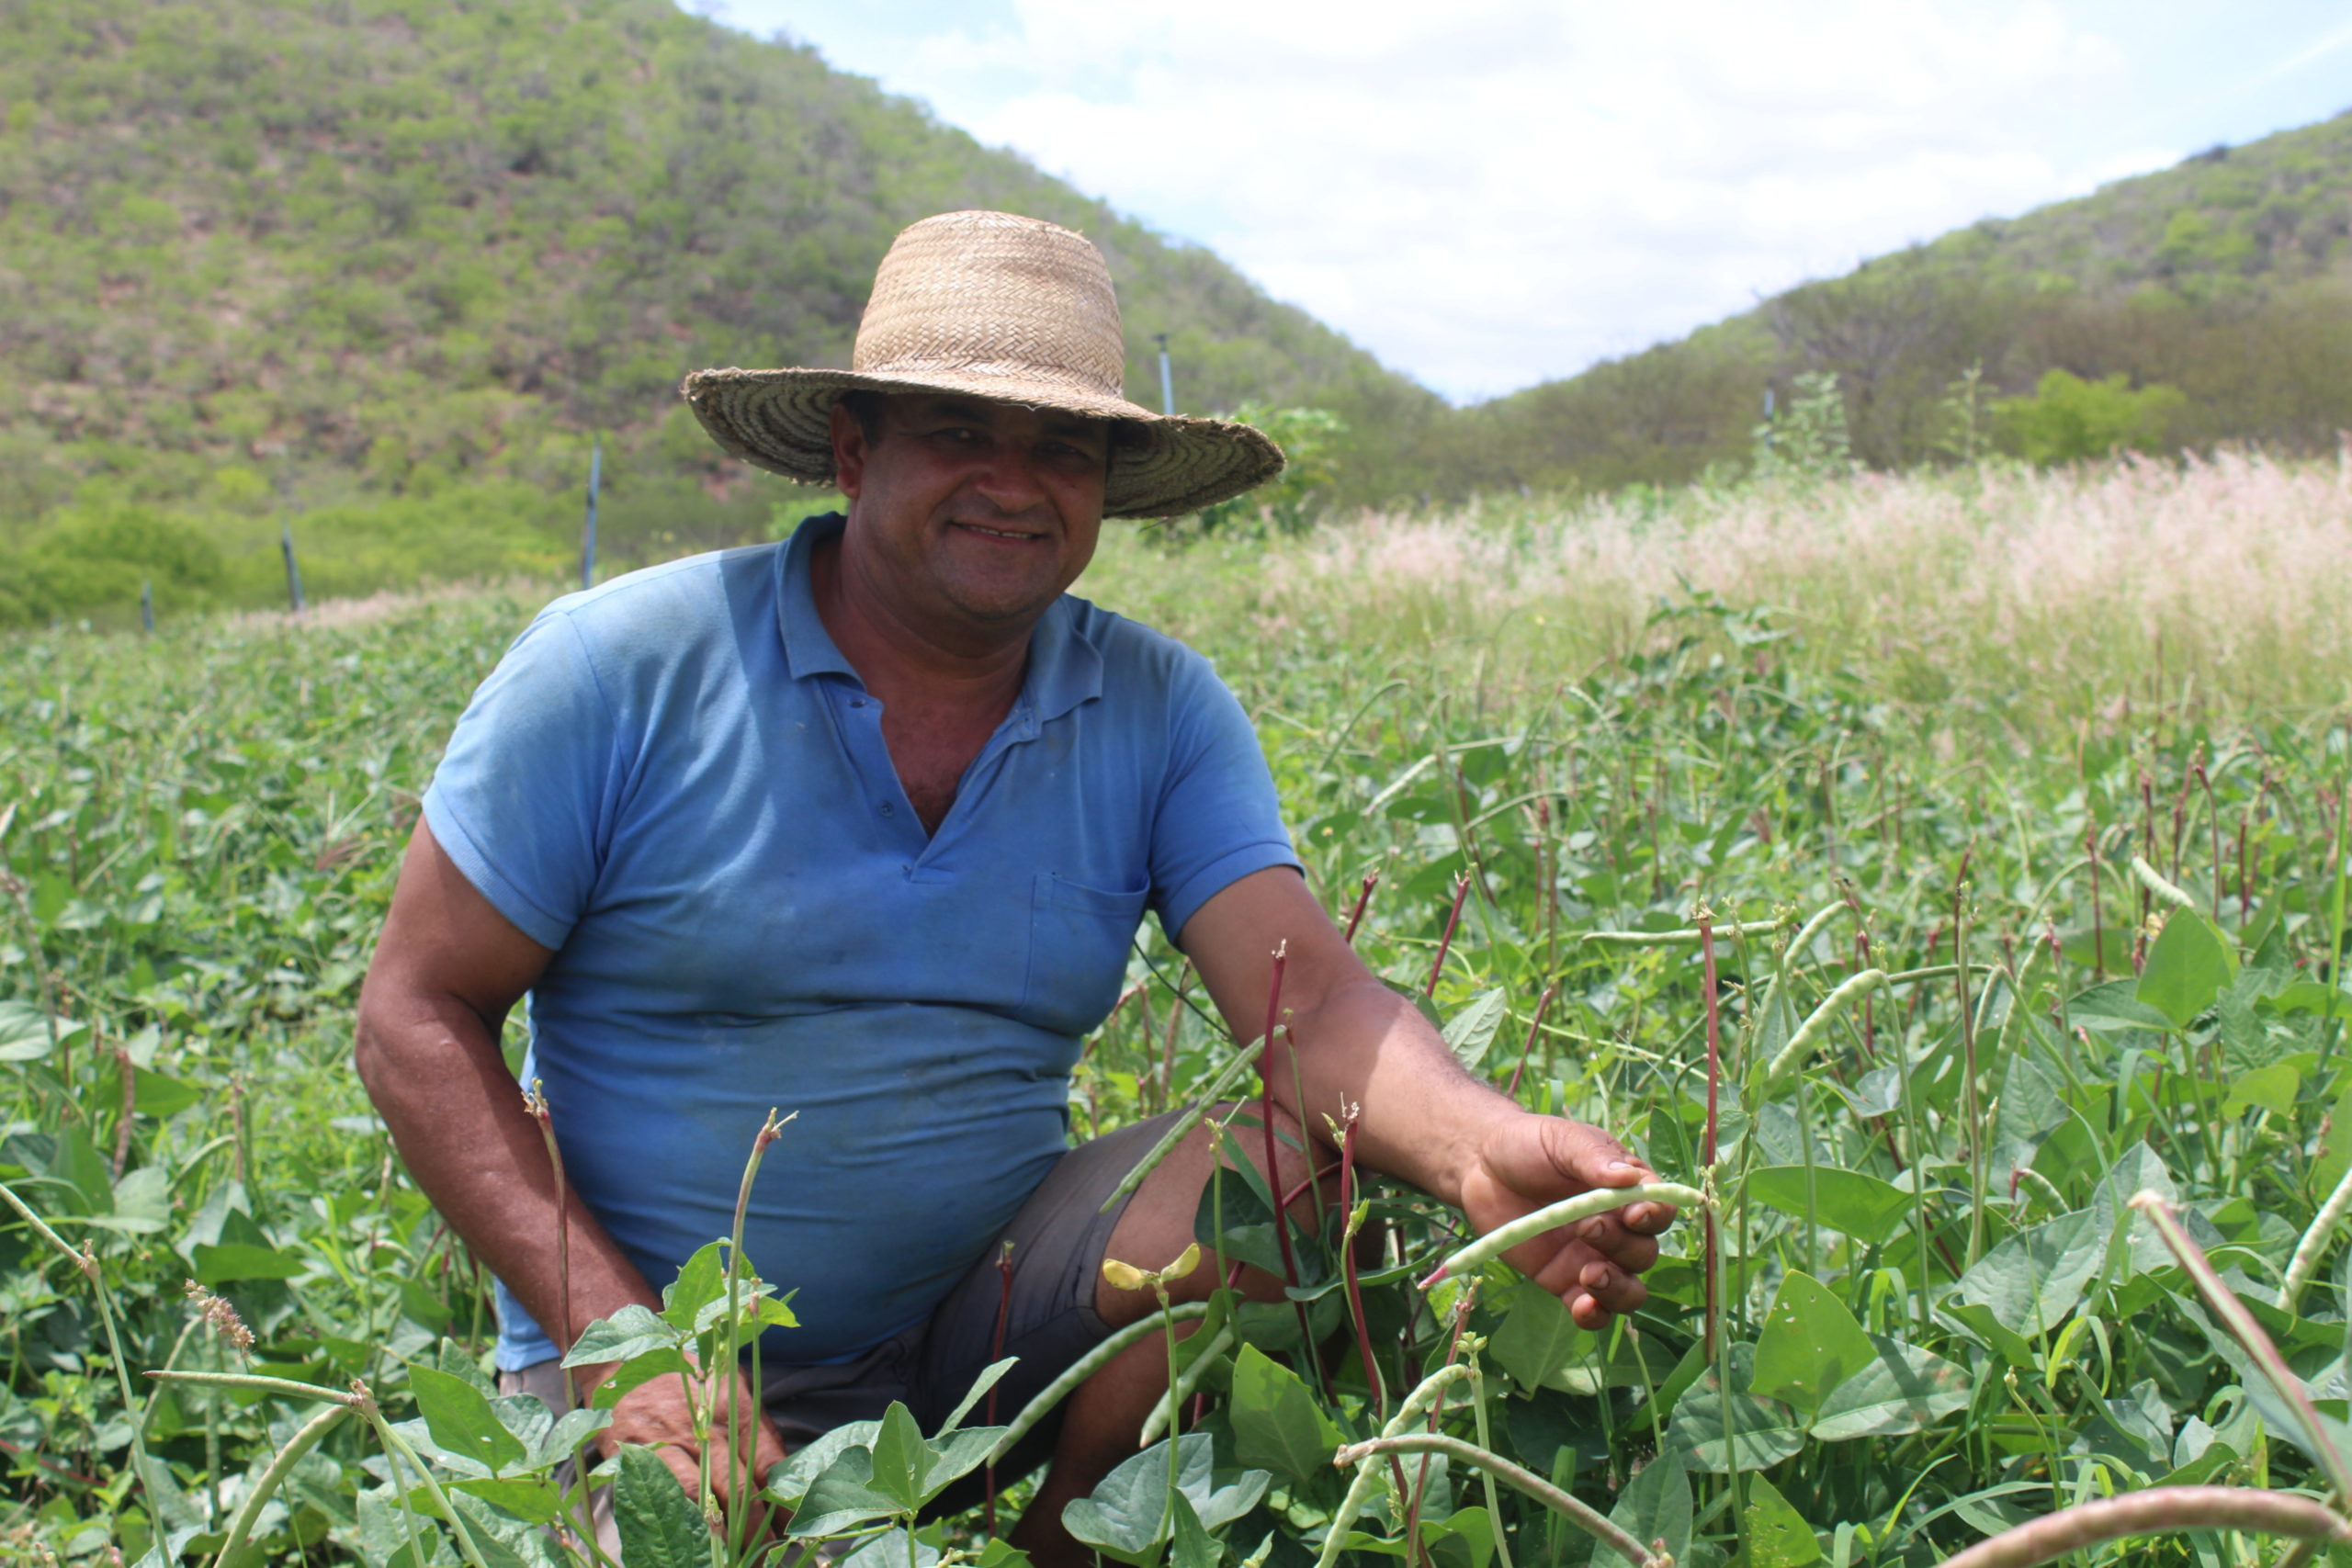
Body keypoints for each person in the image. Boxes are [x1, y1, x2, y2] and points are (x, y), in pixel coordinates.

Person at [353, 209, 1674, 1565]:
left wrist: (1482, 1153)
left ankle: (1056, 1541)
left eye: (1061, 446)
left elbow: (1314, 1005)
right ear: (857, 449)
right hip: (649, 1364)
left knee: (1278, 1182)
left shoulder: (1155, 706)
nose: (1013, 482)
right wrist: (622, 1344)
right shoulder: (619, 668)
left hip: (982, 1353)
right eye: (958, 433)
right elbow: (413, 1014)